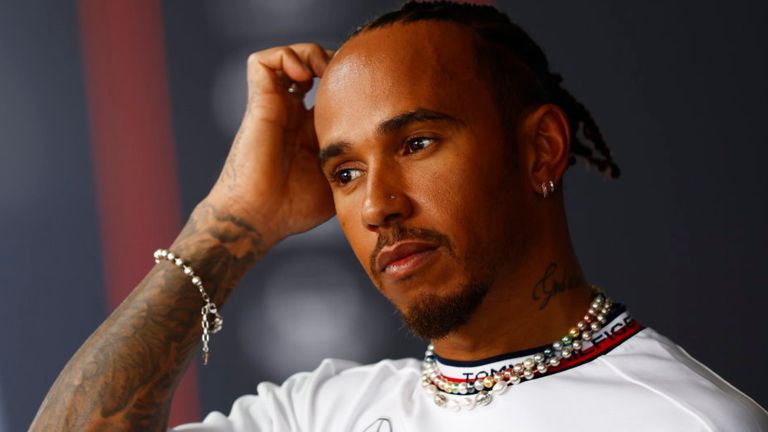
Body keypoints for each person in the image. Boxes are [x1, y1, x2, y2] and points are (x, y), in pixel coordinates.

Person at [31, 1, 767, 431]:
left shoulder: (682, 422)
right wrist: (232, 220)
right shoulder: (322, 412)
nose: (378, 205)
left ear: (541, 149)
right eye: (345, 172)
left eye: (416, 143)